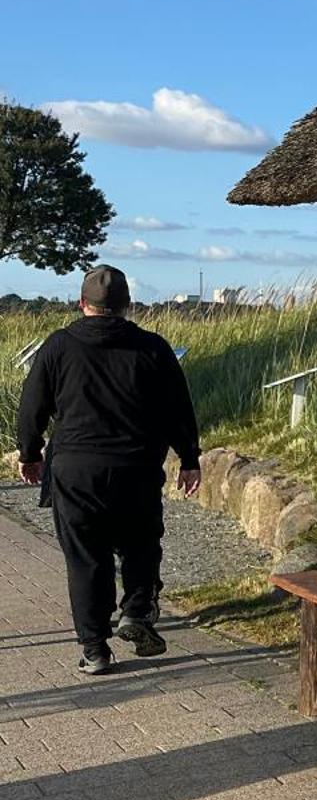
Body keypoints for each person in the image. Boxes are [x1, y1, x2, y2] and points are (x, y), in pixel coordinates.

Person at [15, 267, 201, 675]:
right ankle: (136, 611)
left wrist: (29, 453)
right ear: (127, 306)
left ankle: (95, 649)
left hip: (76, 470)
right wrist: (189, 457)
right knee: (141, 544)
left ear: (83, 304)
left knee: (87, 558)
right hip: (136, 467)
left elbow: (32, 406)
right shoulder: (153, 347)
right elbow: (177, 409)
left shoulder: (59, 346)